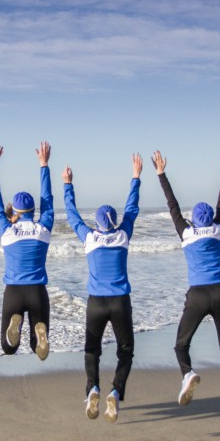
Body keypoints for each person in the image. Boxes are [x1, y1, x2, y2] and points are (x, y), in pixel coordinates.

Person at [152, 144, 220, 406]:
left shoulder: (186, 233)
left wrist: (161, 174)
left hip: (197, 295)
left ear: (193, 220)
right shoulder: (218, 229)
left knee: (180, 346)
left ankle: (188, 374)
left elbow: (172, 205)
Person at [64, 154, 141, 423]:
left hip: (96, 302)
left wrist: (68, 186)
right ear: (115, 222)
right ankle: (116, 392)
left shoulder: (89, 237)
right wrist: (136, 176)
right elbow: (132, 208)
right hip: (120, 301)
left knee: (91, 350)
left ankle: (93, 388)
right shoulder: (123, 235)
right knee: (126, 351)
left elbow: (72, 215)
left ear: (97, 223)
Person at [0, 142, 54, 360]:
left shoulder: (7, 230)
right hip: (37, 292)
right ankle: (38, 333)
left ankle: (14, 326)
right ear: (33, 211)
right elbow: (48, 200)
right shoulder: (42, 228)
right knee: (39, 349)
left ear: (14, 211)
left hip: (13, 292)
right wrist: (44, 165)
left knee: (8, 348)